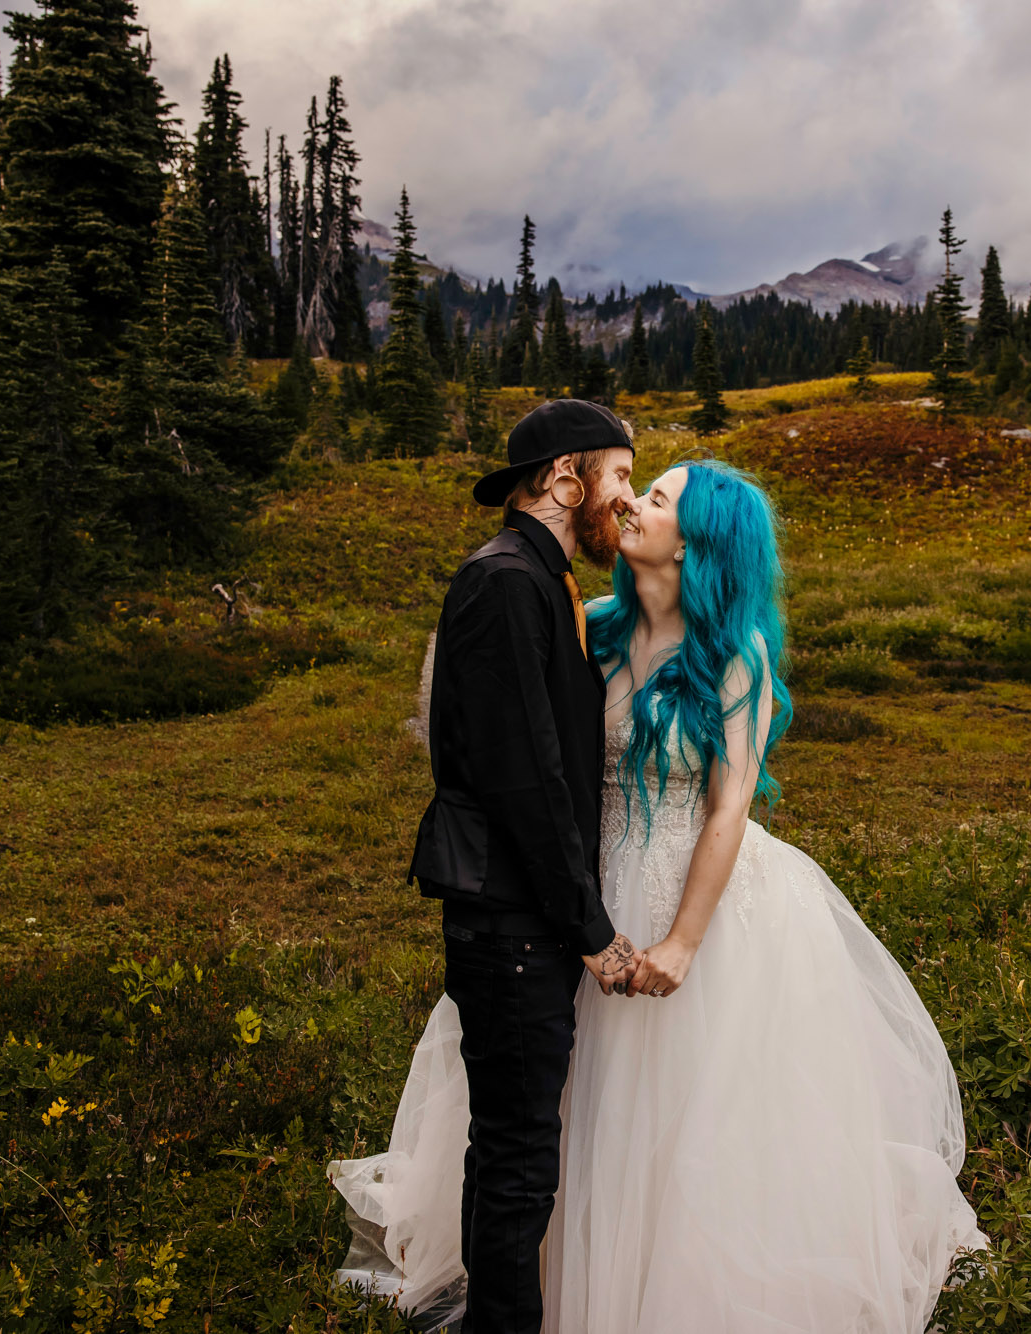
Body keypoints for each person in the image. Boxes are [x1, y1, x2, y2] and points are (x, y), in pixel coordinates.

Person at [331, 456, 986, 1331]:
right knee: (561, 1106)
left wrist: (681, 941)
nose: (629, 505)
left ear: (695, 545)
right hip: (588, 891)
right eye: (638, 486)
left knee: (689, 1117)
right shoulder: (590, 623)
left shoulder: (732, 654)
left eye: (657, 498)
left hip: (696, 896)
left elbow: (728, 808)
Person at [350, 398, 640, 1333]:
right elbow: (526, 780)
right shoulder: (508, 581)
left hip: (517, 917)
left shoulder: (538, 577)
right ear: (566, 480)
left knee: (510, 1146)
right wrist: (589, 930)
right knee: (518, 1156)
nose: (625, 499)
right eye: (619, 476)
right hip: (512, 921)